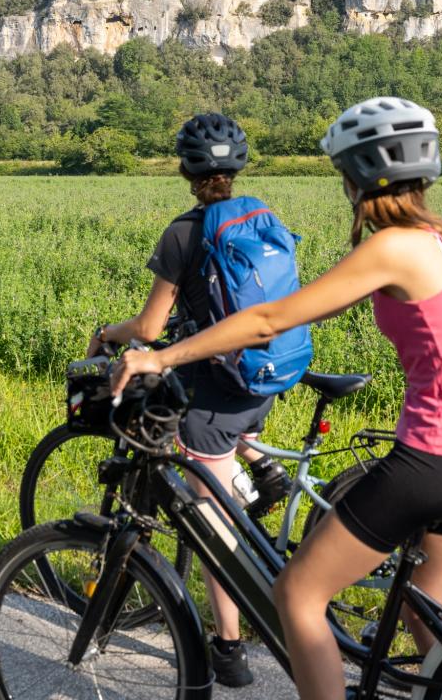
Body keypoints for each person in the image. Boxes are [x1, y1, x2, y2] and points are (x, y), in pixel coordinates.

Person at [110, 97, 442, 700]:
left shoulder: (393, 246)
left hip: (432, 459)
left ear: (359, 176)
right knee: (427, 614)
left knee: (297, 594)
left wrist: (162, 355)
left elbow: (268, 319)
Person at [87, 112, 292, 687]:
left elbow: (152, 327)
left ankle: (229, 650)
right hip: (264, 378)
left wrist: (109, 334)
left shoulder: (184, 232)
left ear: (185, 169)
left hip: (218, 393)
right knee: (229, 440)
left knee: (210, 526)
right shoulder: (260, 216)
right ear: (238, 169)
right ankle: (264, 467)